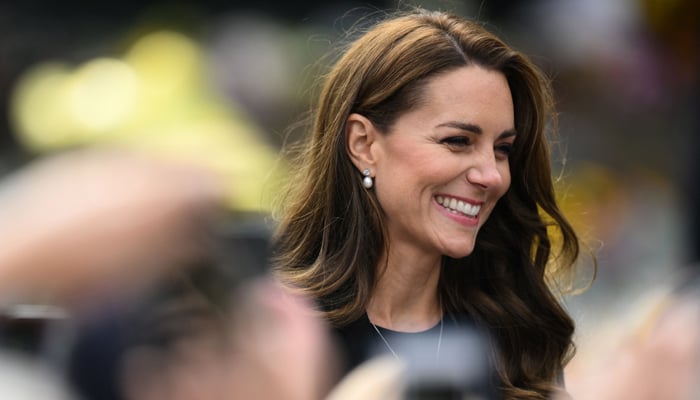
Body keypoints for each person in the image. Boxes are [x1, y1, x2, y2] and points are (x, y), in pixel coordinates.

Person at [272, 8, 584, 399]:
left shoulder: (517, 337)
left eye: (503, 149)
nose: (491, 175)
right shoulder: (279, 329)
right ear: (363, 144)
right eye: (457, 141)